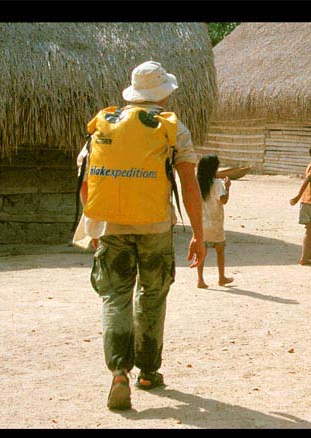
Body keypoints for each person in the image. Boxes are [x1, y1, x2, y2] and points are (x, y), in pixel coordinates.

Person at [76, 61, 205, 410]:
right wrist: (199, 234)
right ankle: (148, 371)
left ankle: (119, 373)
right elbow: (189, 185)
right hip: (156, 227)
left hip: (112, 227)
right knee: (152, 295)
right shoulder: (173, 129)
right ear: (163, 93)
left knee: (114, 297)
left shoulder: (105, 125)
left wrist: (96, 229)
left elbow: (87, 184)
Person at [195, 154, 234, 289]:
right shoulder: (217, 184)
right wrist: (227, 187)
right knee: (220, 250)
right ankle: (221, 277)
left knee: (201, 251)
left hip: (201, 222)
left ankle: (200, 279)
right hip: (215, 223)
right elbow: (223, 200)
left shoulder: (197, 183)